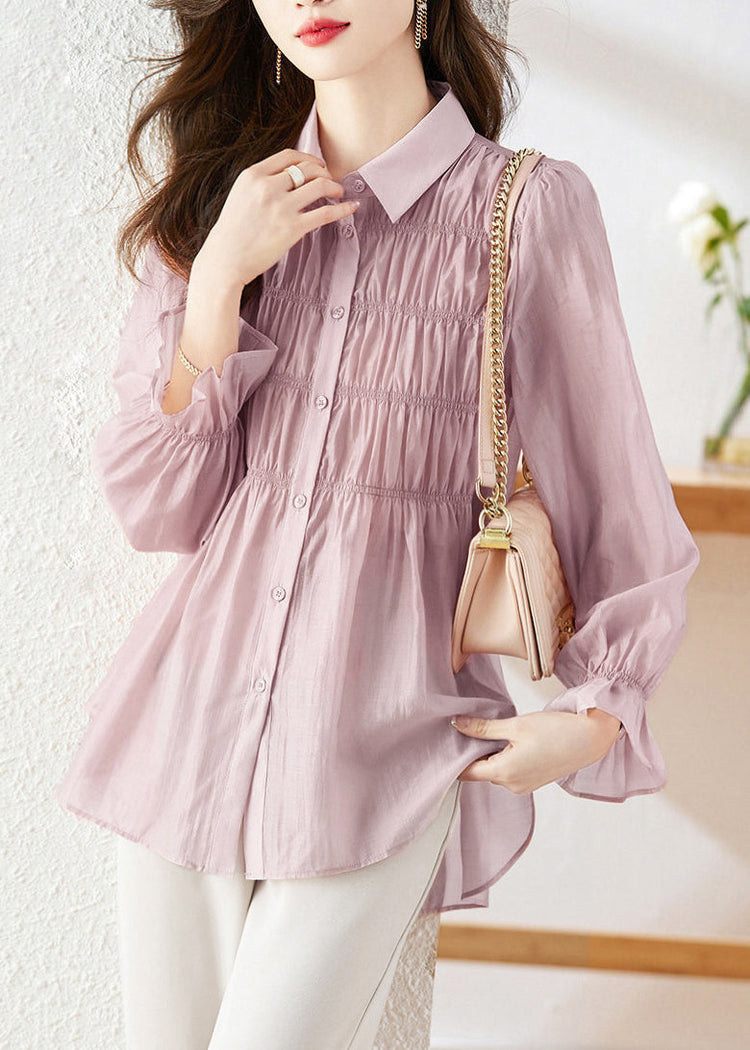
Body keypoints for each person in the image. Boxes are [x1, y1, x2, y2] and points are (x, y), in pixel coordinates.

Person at [54, 1, 701, 1047]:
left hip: (384, 747)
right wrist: (217, 280)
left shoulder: (525, 210)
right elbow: (160, 506)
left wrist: (597, 715)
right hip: (187, 723)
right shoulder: (229, 201)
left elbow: (618, 498)